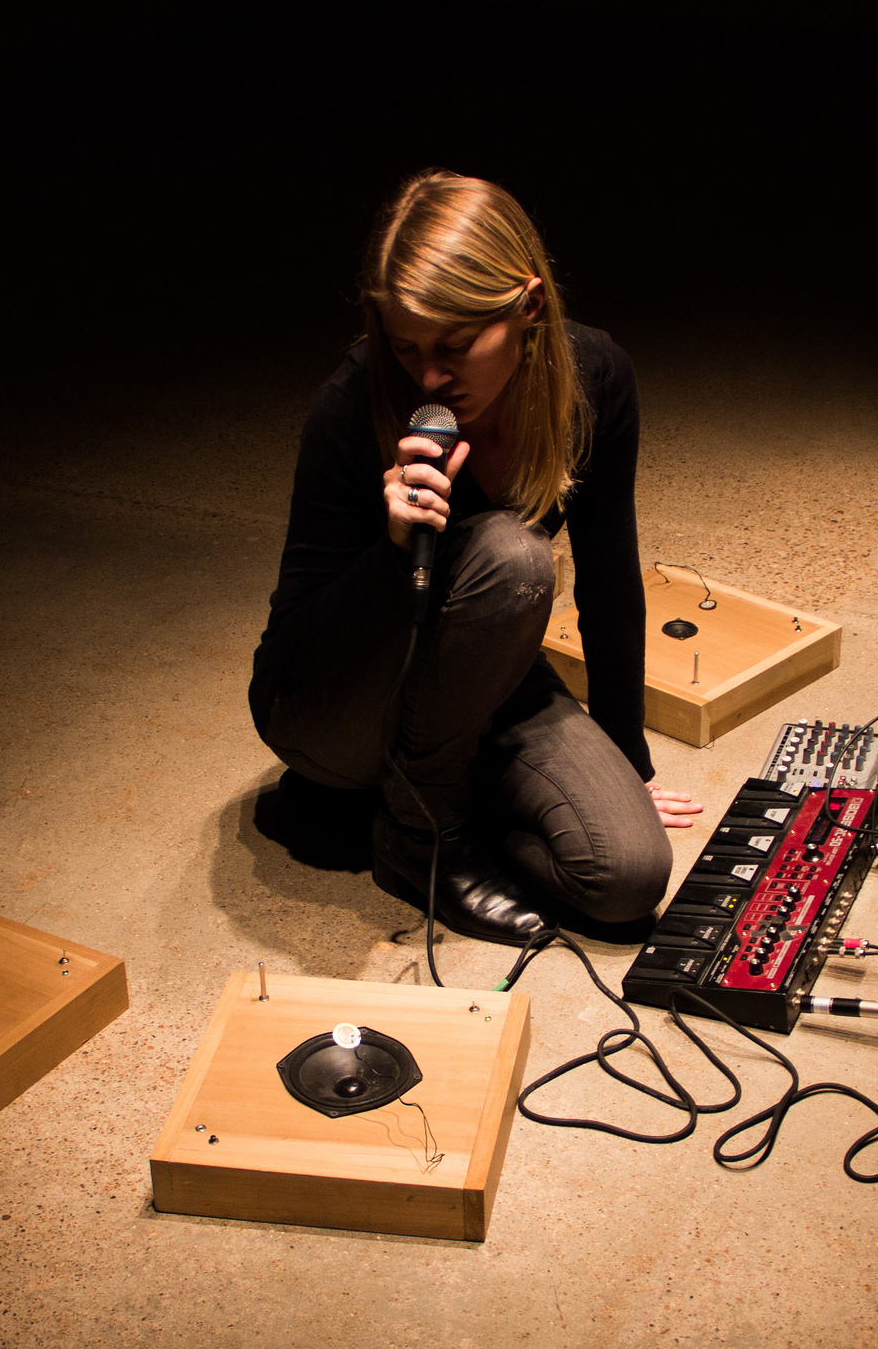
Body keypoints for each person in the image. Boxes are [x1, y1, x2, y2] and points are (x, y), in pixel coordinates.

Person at [248, 169, 701, 945]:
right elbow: (294, 653)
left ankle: (407, 806)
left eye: (456, 346)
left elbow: (611, 579)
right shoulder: (352, 404)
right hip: (336, 701)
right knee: (514, 558)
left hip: (481, 686)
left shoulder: (595, 379)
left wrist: (627, 753)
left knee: (626, 878)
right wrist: (394, 553)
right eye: (407, 346)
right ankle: (418, 839)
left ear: (528, 308)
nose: (429, 376)